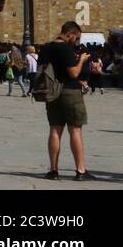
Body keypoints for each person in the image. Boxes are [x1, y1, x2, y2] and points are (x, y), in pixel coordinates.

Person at [39, 21, 94, 181]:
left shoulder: (47, 47)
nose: (76, 41)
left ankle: (53, 171)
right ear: (70, 33)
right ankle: (80, 171)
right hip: (69, 91)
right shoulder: (65, 48)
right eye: (76, 38)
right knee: (75, 130)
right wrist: (81, 60)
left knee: (55, 130)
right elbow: (74, 73)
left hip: (51, 93)